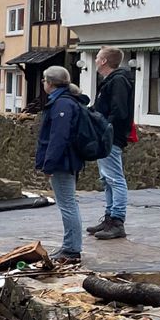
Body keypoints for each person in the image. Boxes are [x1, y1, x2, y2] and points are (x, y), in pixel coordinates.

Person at [35, 64, 86, 266]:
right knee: (69, 203)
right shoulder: (67, 101)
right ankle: (70, 246)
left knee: (67, 205)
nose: (43, 84)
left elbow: (58, 138)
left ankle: (72, 249)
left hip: (63, 162)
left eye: (44, 80)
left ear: (50, 83)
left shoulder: (62, 105)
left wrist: (49, 165)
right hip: (68, 160)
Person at [90, 46, 133, 241]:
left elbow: (119, 110)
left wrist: (106, 128)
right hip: (106, 135)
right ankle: (109, 217)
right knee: (106, 179)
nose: (96, 60)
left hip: (111, 136)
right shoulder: (111, 81)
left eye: (98, 57)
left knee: (115, 178)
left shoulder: (118, 81)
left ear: (105, 61)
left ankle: (117, 220)